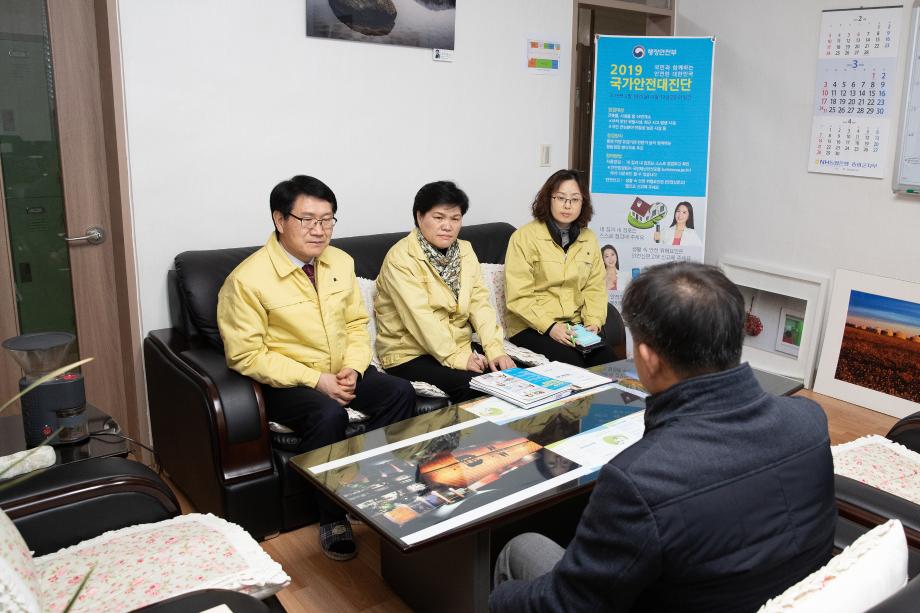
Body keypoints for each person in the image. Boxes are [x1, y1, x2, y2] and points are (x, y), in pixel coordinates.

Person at [490, 261, 836, 612]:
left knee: (518, 549)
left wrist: (495, 601)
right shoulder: (809, 421)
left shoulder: (638, 482)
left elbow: (565, 606)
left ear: (647, 359)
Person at [216, 175, 415, 561]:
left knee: (400, 392)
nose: (319, 230)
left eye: (327, 220)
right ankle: (332, 515)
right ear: (279, 219)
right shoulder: (246, 280)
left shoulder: (340, 261)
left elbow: (357, 324)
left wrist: (355, 369)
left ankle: (367, 488)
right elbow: (245, 355)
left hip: (343, 368)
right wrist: (315, 380)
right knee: (327, 413)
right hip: (288, 380)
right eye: (307, 220)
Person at [375, 180, 515, 404]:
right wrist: (458, 357)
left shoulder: (465, 250)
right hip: (409, 353)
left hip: (457, 345)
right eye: (438, 217)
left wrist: (495, 349)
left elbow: (480, 303)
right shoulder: (400, 258)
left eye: (455, 219)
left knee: (509, 380)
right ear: (420, 217)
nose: (447, 226)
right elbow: (420, 318)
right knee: (477, 388)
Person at [504, 169, 625, 367]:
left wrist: (593, 321)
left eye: (575, 199)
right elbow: (519, 297)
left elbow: (594, 287)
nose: (567, 205)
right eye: (561, 198)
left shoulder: (589, 238)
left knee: (609, 364)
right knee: (575, 365)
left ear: (582, 203)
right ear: (548, 199)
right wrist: (550, 327)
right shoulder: (524, 237)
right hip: (531, 326)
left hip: (574, 326)